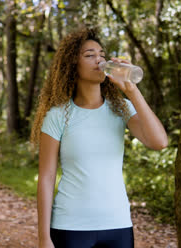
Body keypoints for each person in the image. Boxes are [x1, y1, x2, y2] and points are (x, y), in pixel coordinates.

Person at [30, 28, 168, 248]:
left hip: (118, 225)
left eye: (102, 55)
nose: (99, 60)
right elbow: (46, 178)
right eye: (89, 55)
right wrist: (43, 238)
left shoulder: (122, 108)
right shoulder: (57, 116)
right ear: (72, 65)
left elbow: (159, 142)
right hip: (70, 227)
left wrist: (131, 90)